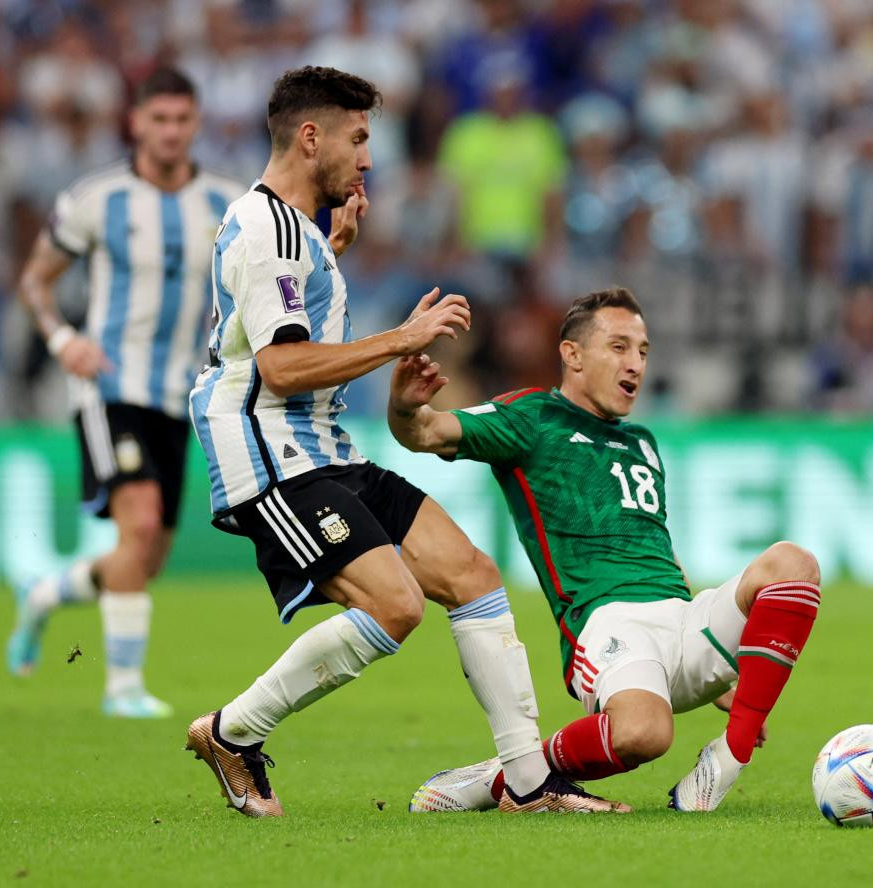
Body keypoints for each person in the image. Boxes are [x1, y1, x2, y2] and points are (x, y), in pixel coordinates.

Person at [182, 66, 621, 818]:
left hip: (321, 443)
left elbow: (286, 327)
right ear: (310, 136)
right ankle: (231, 732)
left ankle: (527, 782)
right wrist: (402, 338)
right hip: (268, 450)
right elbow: (281, 367)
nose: (367, 160)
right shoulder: (268, 232)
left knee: (473, 576)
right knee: (395, 605)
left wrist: (334, 258)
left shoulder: (297, 235)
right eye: (357, 139)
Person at [390, 288, 822, 812]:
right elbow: (425, 430)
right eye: (619, 347)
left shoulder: (641, 441)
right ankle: (511, 775)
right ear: (572, 355)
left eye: (642, 351)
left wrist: (717, 677)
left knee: (794, 563)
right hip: (609, 627)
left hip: (681, 618)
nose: (635, 364)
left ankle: (728, 758)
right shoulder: (532, 418)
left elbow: (654, 546)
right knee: (645, 735)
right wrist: (404, 405)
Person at [7, 68, 253, 717]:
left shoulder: (228, 203)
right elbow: (36, 280)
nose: (170, 132)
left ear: (195, 123)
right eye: (159, 119)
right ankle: (122, 689)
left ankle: (43, 594)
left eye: (182, 119)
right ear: (136, 123)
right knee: (138, 525)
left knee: (142, 557)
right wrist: (63, 340)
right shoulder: (97, 198)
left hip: (184, 396)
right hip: (109, 384)